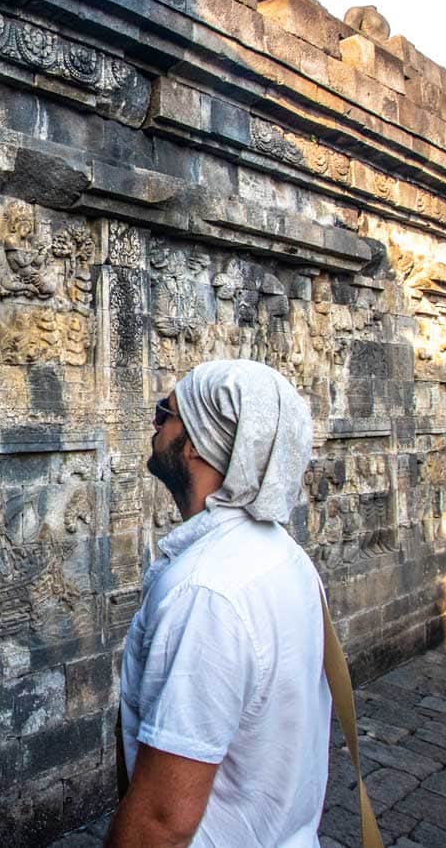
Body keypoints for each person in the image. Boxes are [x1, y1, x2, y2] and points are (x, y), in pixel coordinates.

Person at [108, 359, 330, 848]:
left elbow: (162, 820)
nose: (155, 423)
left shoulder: (205, 593)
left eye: (165, 412)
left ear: (196, 442)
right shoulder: (283, 556)